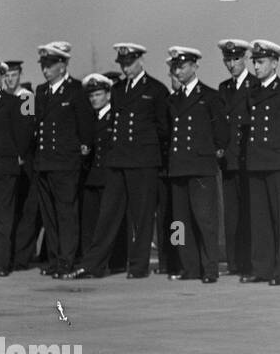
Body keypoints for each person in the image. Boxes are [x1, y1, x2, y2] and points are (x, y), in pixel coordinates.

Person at [74, 44, 170, 279]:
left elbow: (164, 128)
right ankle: (93, 264)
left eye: (129, 63)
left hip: (143, 160)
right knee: (108, 214)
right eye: (122, 64)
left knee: (142, 216)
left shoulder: (155, 89)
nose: (126, 68)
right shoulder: (117, 90)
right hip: (118, 160)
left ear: (140, 61)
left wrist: (154, 156)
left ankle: (138, 266)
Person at [241, 40, 280, 285]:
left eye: (261, 61)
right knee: (260, 219)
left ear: (275, 63)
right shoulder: (252, 92)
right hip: (258, 161)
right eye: (255, 62)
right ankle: (262, 269)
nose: (256, 67)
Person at [164, 47, 228, 283]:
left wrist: (214, 153)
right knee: (178, 223)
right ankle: (187, 266)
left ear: (194, 67)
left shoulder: (209, 96)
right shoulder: (172, 99)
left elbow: (221, 131)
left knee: (205, 220)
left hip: (201, 167)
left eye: (181, 66)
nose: (177, 71)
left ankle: (210, 268)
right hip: (178, 166)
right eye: (175, 68)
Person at [30, 42, 93, 279]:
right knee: (50, 216)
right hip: (45, 162)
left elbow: (85, 128)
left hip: (66, 163)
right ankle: (55, 259)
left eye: (50, 65)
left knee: (66, 214)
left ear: (63, 64)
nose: (45, 70)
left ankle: (67, 260)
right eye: (43, 65)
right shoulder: (41, 91)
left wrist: (81, 152)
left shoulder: (76, 90)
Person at [0, 58, 33, 276]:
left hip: (4, 167)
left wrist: (16, 156)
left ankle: (2, 262)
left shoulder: (14, 102)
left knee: (3, 217)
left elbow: (24, 133)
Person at [75, 73, 127, 277]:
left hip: (109, 177)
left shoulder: (114, 117)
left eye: (98, 94)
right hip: (93, 177)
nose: (94, 99)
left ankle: (115, 262)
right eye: (91, 96)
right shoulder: (91, 118)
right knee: (90, 223)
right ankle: (91, 263)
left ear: (108, 94)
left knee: (110, 222)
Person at [216, 38, 255, 276]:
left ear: (245, 59)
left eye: (236, 59)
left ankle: (248, 262)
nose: (232, 64)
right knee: (231, 215)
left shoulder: (254, 86)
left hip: (248, 159)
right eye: (228, 60)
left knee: (249, 214)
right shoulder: (223, 89)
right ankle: (234, 262)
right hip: (229, 160)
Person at [4, 58, 44, 271]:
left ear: (19, 75)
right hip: (5, 160)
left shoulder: (26, 97)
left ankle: (22, 256)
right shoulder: (2, 99)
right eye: (7, 76)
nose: (10, 80)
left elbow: (28, 128)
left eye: (14, 75)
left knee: (27, 210)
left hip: (24, 159)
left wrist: (19, 153)